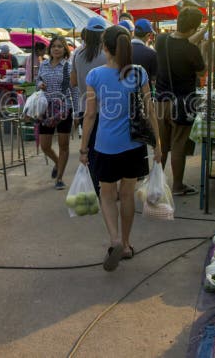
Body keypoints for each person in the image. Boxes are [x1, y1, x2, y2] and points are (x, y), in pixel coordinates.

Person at [80, 25, 162, 271]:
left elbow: (90, 115)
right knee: (127, 195)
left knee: (107, 195)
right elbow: (150, 110)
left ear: (105, 48)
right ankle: (126, 245)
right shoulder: (138, 73)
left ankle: (114, 239)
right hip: (134, 145)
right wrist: (158, 143)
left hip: (106, 146)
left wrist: (84, 149)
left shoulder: (95, 76)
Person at [155, 7, 205, 196]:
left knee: (163, 145)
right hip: (183, 102)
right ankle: (177, 186)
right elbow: (201, 71)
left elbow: (180, 42)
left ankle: (157, 184)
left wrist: (200, 33)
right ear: (193, 29)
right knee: (178, 144)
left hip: (160, 100)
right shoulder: (192, 50)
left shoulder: (161, 40)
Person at [70, 17, 109, 191]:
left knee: (90, 149)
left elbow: (73, 82)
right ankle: (108, 185)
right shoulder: (107, 54)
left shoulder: (77, 54)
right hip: (108, 109)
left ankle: (94, 187)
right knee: (107, 149)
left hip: (85, 107)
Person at [37, 36, 74, 189]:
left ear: (65, 49)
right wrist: (40, 84)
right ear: (50, 49)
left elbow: (74, 89)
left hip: (64, 108)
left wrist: (77, 111)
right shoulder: (43, 64)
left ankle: (59, 178)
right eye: (54, 46)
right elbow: (37, 80)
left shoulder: (68, 66)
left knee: (63, 144)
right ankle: (58, 163)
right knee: (45, 145)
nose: (56, 49)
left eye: (60, 46)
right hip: (46, 108)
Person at [131, 18, 158, 85]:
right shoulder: (152, 54)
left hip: (125, 93)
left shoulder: (122, 49)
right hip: (145, 93)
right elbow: (153, 79)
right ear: (148, 35)